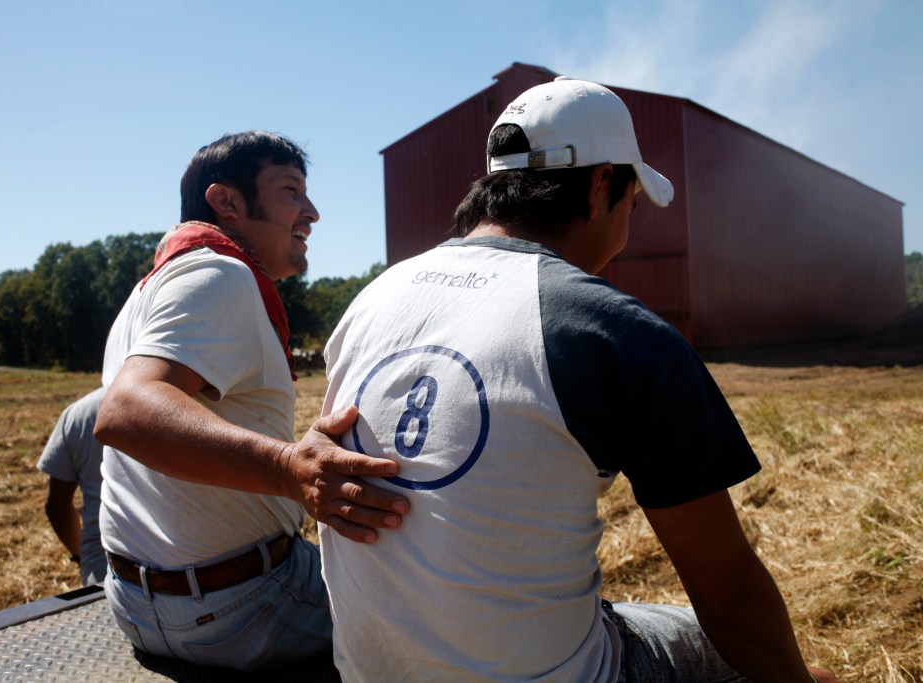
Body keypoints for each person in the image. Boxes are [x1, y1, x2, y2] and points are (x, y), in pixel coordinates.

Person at [319, 79, 842, 683]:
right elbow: (730, 594)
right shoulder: (609, 327)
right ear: (600, 187)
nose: (628, 224)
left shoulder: (374, 297)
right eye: (632, 203)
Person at [93, 131, 410, 672]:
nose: (311, 212)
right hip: (243, 602)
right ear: (228, 202)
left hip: (138, 603)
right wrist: (291, 469)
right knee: (431, 618)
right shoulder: (219, 273)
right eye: (290, 191)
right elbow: (127, 412)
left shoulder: (149, 289)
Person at [37, 386, 107, 586]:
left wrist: (80, 554)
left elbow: (56, 504)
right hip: (177, 567)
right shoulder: (180, 399)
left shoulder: (80, 412)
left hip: (103, 566)